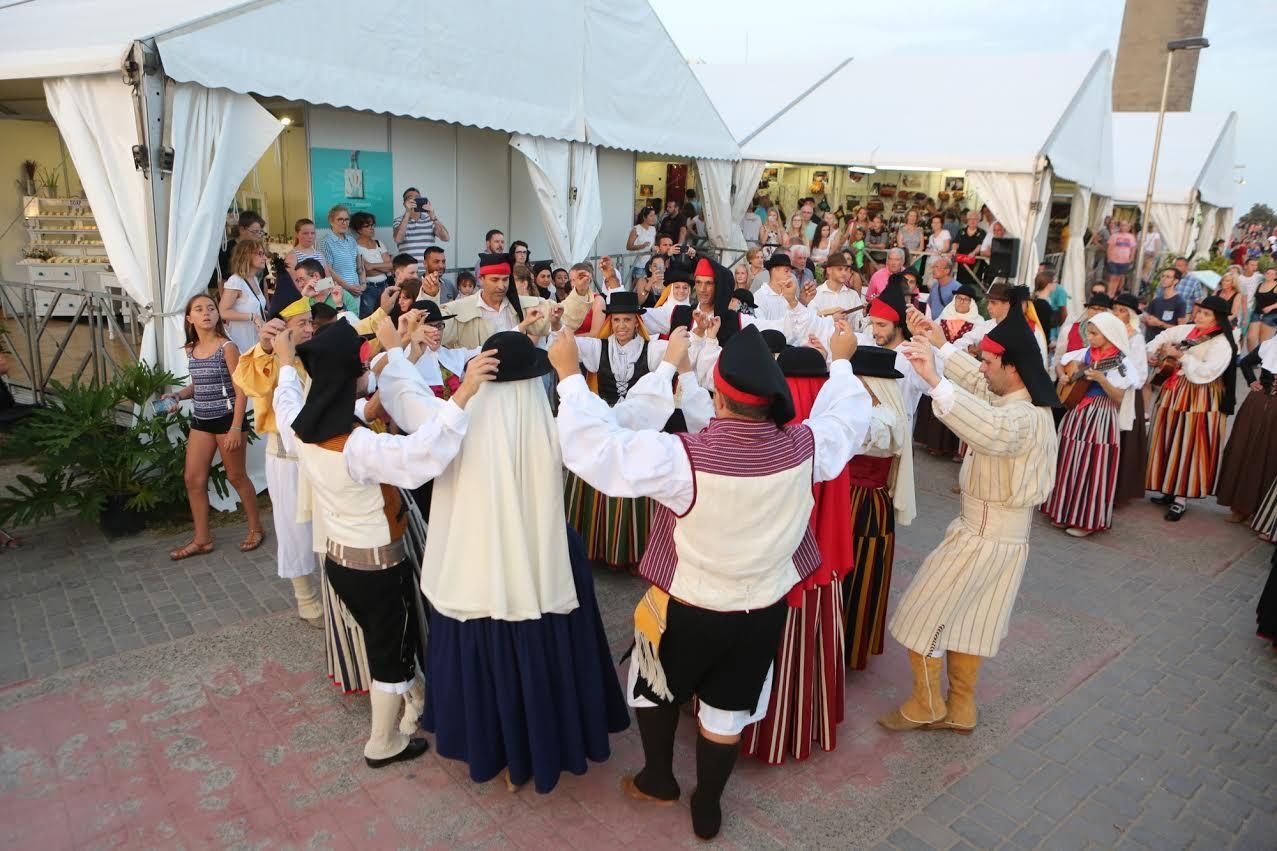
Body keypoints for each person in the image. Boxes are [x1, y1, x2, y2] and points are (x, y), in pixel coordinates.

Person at [554, 323, 869, 840]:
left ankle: (658, 778)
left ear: (721, 397)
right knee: (728, 708)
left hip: (690, 607)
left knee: (652, 684)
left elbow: (600, 450)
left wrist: (569, 376)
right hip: (763, 611)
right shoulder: (805, 447)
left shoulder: (683, 457)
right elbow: (846, 419)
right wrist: (839, 362)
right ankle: (708, 805)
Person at [373, 329, 632, 792]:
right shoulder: (558, 429)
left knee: (483, 645)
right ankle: (543, 749)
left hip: (474, 570)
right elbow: (621, 426)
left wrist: (395, 348)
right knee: (548, 634)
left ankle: (492, 749)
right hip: (542, 569)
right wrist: (671, 371)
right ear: (535, 382)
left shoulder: (448, 422)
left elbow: (404, 395)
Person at [272, 319, 494, 769]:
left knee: (388, 639)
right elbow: (417, 459)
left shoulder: (300, 425)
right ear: (348, 375)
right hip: (375, 566)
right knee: (389, 653)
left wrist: (285, 364)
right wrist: (464, 394)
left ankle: (415, 704)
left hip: (339, 560)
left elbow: (285, 400)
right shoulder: (356, 447)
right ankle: (382, 743)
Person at [883, 292, 1059, 735]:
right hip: (1003, 538)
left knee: (920, 616)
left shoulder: (1022, 418)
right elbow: (980, 387)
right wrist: (940, 344)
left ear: (1013, 367)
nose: (981, 366)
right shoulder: (1018, 398)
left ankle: (926, 704)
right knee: (970, 623)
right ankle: (961, 709)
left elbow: (989, 429)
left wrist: (933, 381)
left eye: (988, 360)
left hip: (982, 536)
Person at [739, 344, 855, 765]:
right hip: (816, 569)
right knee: (807, 644)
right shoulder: (832, 430)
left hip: (764, 573)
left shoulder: (770, 431)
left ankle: (746, 730)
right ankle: (801, 724)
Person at [558, 295, 713, 569]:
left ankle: (631, 551)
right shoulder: (597, 347)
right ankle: (592, 548)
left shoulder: (651, 349)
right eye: (616, 320)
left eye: (627, 320)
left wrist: (699, 334)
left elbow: (681, 352)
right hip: (606, 424)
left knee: (635, 483)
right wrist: (557, 322)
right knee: (597, 476)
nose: (621, 326)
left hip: (641, 427)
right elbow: (562, 345)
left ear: (637, 321)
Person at [230, 276, 322, 626]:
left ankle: (334, 589)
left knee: (327, 524)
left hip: (322, 453)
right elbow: (249, 381)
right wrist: (269, 350)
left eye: (311, 321)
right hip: (285, 457)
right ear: (281, 329)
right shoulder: (262, 357)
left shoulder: (314, 353)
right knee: (294, 527)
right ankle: (306, 598)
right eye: (302, 323)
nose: (310, 328)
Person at [163, 294, 264, 561]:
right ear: (189, 318)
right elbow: (199, 384)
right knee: (192, 479)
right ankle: (202, 539)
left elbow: (240, 389)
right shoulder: (191, 348)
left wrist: (235, 427)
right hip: (202, 420)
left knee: (236, 476)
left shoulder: (227, 347)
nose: (206, 313)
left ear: (217, 315)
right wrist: (177, 396)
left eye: (210, 308)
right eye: (199, 309)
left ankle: (256, 528)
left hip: (227, 419)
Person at [840, 346, 916, 671]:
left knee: (853, 572)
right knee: (866, 573)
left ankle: (843, 646)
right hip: (876, 503)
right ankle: (855, 644)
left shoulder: (875, 420)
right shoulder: (891, 415)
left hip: (858, 502)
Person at [1043, 312, 1138, 537]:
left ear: (1109, 335)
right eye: (1089, 332)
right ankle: (1063, 512)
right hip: (1077, 413)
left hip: (1101, 417)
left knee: (1092, 464)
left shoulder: (1120, 362)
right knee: (1068, 459)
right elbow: (1062, 363)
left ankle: (1086, 520)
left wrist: (1102, 380)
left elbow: (1118, 398)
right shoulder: (1086, 353)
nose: (1090, 337)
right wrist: (1064, 378)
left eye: (1095, 334)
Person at [1146, 295, 1238, 521]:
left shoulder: (1222, 343)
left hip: (1200, 398)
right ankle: (1168, 488)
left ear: (1218, 319)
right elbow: (1165, 335)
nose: (1199, 316)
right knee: (1168, 438)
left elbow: (1207, 373)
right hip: (1173, 393)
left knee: (1189, 444)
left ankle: (1181, 500)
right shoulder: (1189, 331)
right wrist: (1153, 351)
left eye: (1206, 314)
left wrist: (1182, 357)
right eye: (1199, 312)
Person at [440, 253, 586, 348]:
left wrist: (580, 291)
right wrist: (429, 295)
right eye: (495, 280)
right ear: (481, 280)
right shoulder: (459, 308)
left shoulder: (526, 305)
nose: (501, 286)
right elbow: (434, 332)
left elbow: (566, 317)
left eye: (505, 280)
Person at [914, 284, 982, 457]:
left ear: (971, 303)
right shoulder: (944, 316)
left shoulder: (978, 323)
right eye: (958, 299)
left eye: (966, 300)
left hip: (961, 367)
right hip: (939, 362)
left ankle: (950, 447)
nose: (961, 303)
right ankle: (931, 442)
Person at [1216, 335, 1277, 524]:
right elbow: (1245, 363)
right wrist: (1252, 381)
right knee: (1248, 452)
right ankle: (1241, 507)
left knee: (1270, 457)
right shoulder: (1270, 344)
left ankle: (1263, 514)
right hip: (1257, 405)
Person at [1111, 294, 1151, 505]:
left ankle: (1120, 491)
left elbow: (1140, 372)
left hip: (1126, 394)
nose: (1118, 313)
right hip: (1106, 391)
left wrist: (1120, 384)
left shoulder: (1135, 337)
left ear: (1131, 314)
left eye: (1123, 310)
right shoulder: (1108, 332)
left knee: (1124, 442)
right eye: (1116, 309)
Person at [218, 239, 268, 354]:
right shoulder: (236, 281)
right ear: (246, 255)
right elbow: (223, 312)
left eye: (264, 254)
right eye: (260, 254)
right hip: (242, 341)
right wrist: (253, 316)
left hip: (256, 340)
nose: (264, 258)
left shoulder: (254, 279)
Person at [392, 188, 449, 272]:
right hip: (408, 272)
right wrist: (408, 213)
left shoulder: (430, 219)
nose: (414, 200)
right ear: (404, 203)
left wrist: (433, 216)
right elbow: (398, 239)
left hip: (428, 271)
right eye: (410, 198)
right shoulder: (399, 221)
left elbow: (445, 238)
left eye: (417, 197)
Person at [321, 205, 362, 314]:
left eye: (346, 219)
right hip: (340, 293)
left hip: (356, 291)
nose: (344, 223)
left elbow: (358, 265)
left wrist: (363, 284)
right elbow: (328, 270)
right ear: (331, 221)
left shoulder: (351, 240)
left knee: (356, 324)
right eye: (340, 219)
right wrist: (348, 287)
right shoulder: (326, 242)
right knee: (343, 324)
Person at [352, 212, 392, 318]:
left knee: (386, 316)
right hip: (368, 288)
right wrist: (383, 266)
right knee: (368, 317)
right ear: (359, 229)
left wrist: (372, 266)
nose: (372, 228)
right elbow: (366, 270)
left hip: (384, 285)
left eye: (372, 225)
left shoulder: (379, 243)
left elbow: (391, 266)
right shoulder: (355, 246)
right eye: (367, 226)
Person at [1143, 268, 1188, 342]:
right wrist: (1146, 320)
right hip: (1149, 341)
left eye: (1168, 277)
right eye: (1163, 276)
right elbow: (1147, 319)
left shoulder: (1180, 302)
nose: (1163, 279)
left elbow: (1181, 329)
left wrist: (1159, 323)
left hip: (1165, 344)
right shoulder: (1156, 300)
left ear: (1176, 281)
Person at [218, 210, 265, 281]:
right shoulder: (226, 249)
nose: (258, 236)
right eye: (255, 232)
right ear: (242, 230)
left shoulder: (258, 247)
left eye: (260, 232)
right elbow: (222, 280)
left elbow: (263, 279)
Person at [952, 211, 986, 288]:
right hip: (962, 262)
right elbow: (956, 242)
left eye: (975, 219)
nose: (972, 221)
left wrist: (973, 253)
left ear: (978, 220)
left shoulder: (982, 232)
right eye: (970, 219)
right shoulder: (961, 231)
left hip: (975, 262)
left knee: (973, 284)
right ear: (967, 220)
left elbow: (981, 245)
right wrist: (954, 250)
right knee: (960, 283)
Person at [1105, 220, 1137, 296]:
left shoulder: (1131, 237)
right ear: (1119, 226)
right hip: (1113, 260)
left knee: (1118, 278)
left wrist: (1131, 258)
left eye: (1125, 225)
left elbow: (1133, 248)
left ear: (1129, 227)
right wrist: (1109, 258)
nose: (1124, 227)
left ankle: (1113, 294)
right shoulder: (1114, 235)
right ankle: (1109, 294)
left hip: (1125, 261)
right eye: (1122, 225)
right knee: (1113, 277)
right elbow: (1109, 247)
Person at [1249, 267, 1277, 350]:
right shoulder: (1260, 284)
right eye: (1268, 273)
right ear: (1265, 274)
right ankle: (1251, 359)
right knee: (1250, 338)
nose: (1269, 275)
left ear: (1275, 276)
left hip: (1271, 315)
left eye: (1272, 274)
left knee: (1263, 341)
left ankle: (1260, 361)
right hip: (1257, 313)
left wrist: (1270, 307)